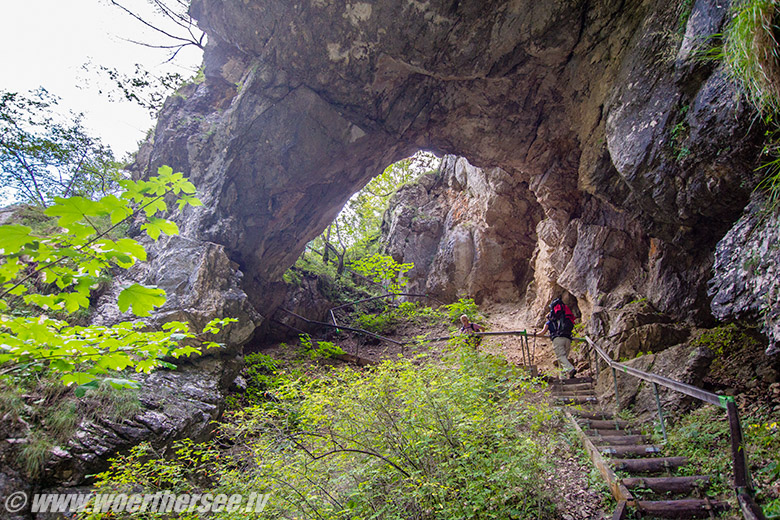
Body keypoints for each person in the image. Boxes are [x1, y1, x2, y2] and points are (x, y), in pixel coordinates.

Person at [537, 298, 577, 379]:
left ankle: (571, 369)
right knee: (563, 359)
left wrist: (535, 334)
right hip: (568, 338)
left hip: (558, 339)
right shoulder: (565, 318)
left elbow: (542, 333)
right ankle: (563, 377)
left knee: (561, 357)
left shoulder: (549, 322)